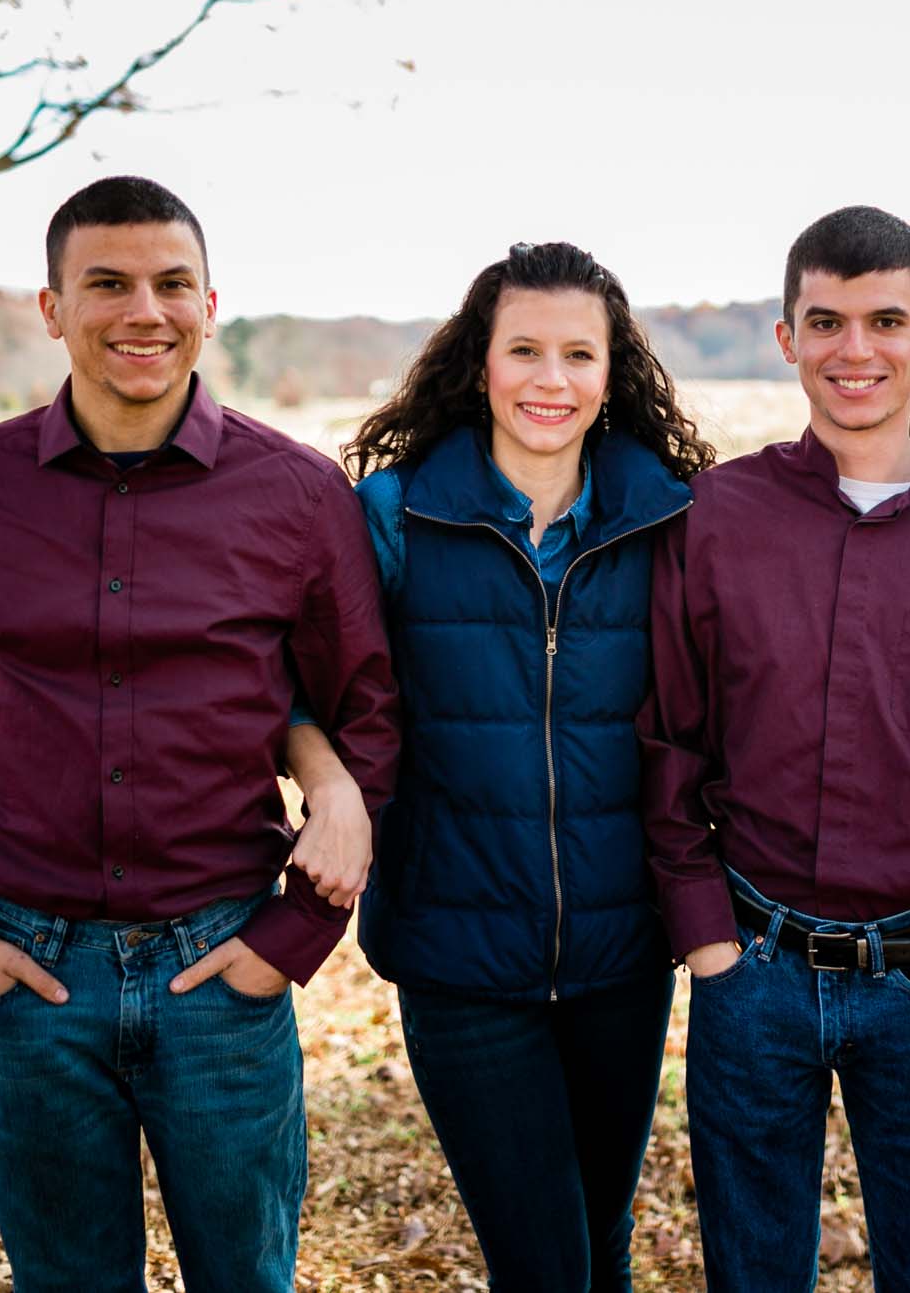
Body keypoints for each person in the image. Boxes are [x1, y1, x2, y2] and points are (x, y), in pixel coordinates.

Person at [0, 175, 398, 1291]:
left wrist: (288, 941)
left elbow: (366, 716)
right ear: (51, 307)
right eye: (105, 284)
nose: (140, 311)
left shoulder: (296, 495)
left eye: (169, 284)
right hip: (26, 977)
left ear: (211, 303)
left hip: (222, 968)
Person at [285, 241, 716, 1292]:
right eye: (523, 349)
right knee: (541, 1266)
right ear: (479, 361)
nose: (550, 380)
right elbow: (298, 684)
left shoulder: (672, 520)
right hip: (457, 950)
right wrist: (330, 782)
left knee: (599, 1244)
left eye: (578, 353)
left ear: (613, 372)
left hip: (623, 951)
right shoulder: (391, 515)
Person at [638, 205, 910, 1290]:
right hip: (753, 969)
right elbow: (672, 734)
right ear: (785, 338)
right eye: (824, 322)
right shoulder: (717, 513)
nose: (853, 351)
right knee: (753, 1271)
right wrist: (707, 950)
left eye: (882, 321)